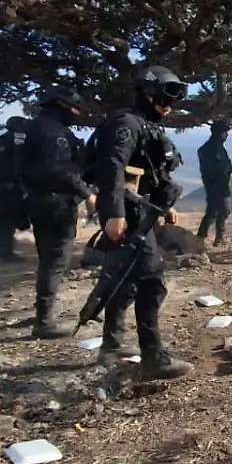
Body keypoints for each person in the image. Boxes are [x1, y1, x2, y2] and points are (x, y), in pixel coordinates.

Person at [87, 65, 193, 380]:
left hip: (142, 212)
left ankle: (112, 344)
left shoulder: (147, 125)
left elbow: (153, 172)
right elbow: (112, 169)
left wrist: (164, 207)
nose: (168, 107)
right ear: (147, 94)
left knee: (126, 279)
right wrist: (115, 213)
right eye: (163, 100)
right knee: (152, 281)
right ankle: (153, 357)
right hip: (128, 215)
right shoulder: (125, 124)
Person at [20, 88, 94, 339]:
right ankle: (44, 321)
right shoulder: (55, 134)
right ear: (62, 106)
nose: (76, 114)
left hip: (36, 200)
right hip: (56, 204)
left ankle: (42, 311)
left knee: (47, 257)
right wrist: (88, 194)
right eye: (74, 109)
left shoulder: (35, 127)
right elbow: (62, 171)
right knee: (56, 259)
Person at [0, 116, 30, 262]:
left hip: (2, 186)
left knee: (3, 218)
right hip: (16, 186)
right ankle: (2, 253)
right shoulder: (21, 141)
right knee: (8, 219)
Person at [197, 120, 232, 246]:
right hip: (217, 184)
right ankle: (208, 237)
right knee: (218, 211)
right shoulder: (213, 148)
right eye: (225, 132)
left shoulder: (214, 147)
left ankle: (211, 237)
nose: (227, 135)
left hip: (215, 183)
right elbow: (220, 169)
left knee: (216, 210)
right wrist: (224, 185)